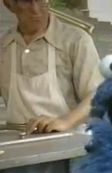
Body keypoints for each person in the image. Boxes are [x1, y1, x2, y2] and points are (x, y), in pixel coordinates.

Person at [0, 0, 103, 134]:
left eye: (41, 0)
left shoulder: (76, 40)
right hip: (17, 141)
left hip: (66, 141)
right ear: (9, 5)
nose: (36, 10)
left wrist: (65, 121)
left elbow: (97, 95)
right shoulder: (3, 45)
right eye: (26, 2)